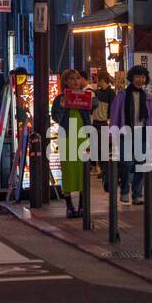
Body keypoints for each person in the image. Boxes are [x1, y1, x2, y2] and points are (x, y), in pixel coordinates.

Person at [109, 65, 152, 205]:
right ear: (131, 78)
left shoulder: (147, 97)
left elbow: (151, 118)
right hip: (125, 133)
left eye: (143, 77)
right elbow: (115, 114)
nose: (140, 80)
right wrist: (113, 133)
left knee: (141, 165)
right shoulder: (122, 95)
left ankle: (137, 194)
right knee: (126, 164)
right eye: (137, 76)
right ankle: (124, 191)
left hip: (142, 133)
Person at [52, 69, 94, 218]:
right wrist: (63, 106)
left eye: (77, 79)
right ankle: (69, 205)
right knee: (68, 171)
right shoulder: (59, 99)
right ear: (65, 82)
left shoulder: (85, 96)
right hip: (67, 137)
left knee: (83, 170)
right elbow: (56, 117)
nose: (75, 81)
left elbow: (94, 105)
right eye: (71, 79)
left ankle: (82, 205)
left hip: (83, 136)